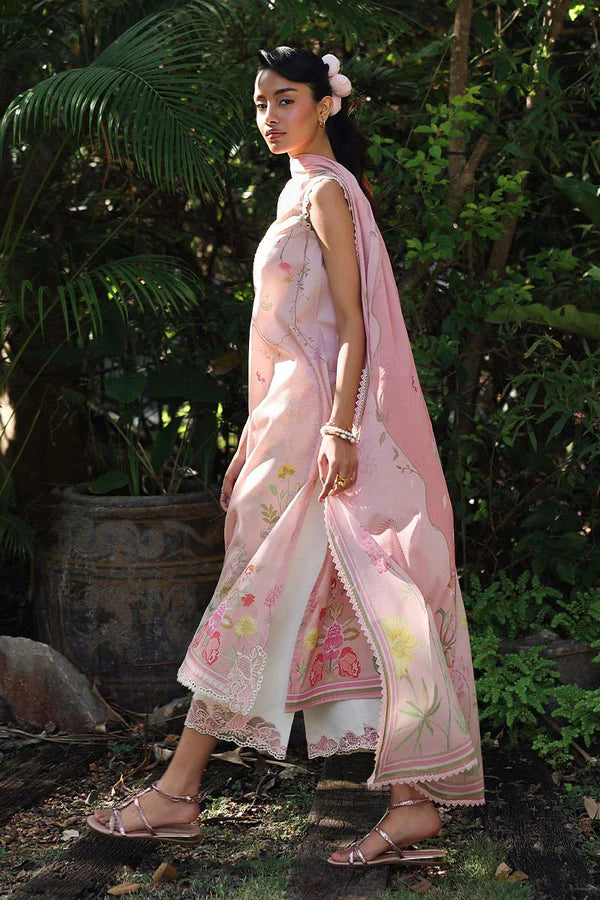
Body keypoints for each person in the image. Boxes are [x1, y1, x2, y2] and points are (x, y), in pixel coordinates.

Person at [87, 46, 485, 866]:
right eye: (261, 103)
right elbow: (291, 334)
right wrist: (257, 433)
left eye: (286, 99)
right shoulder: (300, 189)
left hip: (316, 434)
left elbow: (353, 326)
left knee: (258, 595)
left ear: (326, 104)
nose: (269, 117)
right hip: (288, 424)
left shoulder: (329, 192)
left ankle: (177, 795)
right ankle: (410, 804)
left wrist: (339, 432)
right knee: (333, 594)